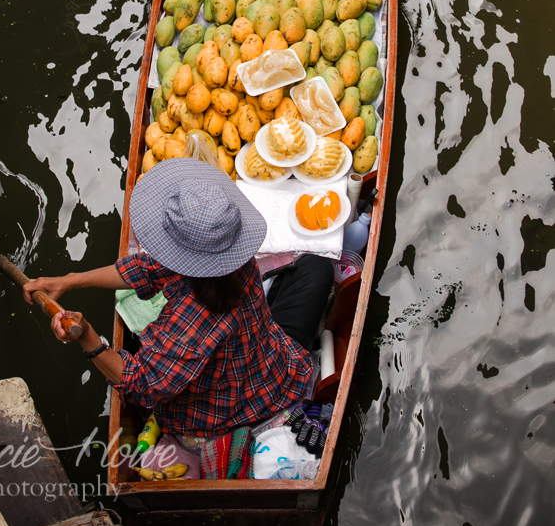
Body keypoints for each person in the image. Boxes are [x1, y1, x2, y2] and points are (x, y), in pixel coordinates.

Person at [23, 159, 335, 437]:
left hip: (228, 408)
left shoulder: (191, 321)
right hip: (269, 361)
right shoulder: (233, 253)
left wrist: (88, 337)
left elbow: (140, 385)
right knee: (317, 268)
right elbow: (145, 269)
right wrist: (70, 281)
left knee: (139, 356)